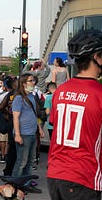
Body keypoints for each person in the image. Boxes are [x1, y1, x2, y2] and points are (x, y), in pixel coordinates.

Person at [47, 30, 102, 200]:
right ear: (97, 57)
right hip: (83, 176)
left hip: (55, 174)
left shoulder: (60, 91)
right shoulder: (98, 93)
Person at [11, 73, 44, 184]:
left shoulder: (31, 96)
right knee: (22, 161)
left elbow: (33, 114)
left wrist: (39, 128)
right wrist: (17, 134)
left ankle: (26, 183)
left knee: (30, 161)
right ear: (24, 83)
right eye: (30, 81)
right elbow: (15, 117)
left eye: (33, 80)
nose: (33, 83)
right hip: (23, 134)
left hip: (32, 133)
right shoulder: (19, 98)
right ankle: (15, 184)